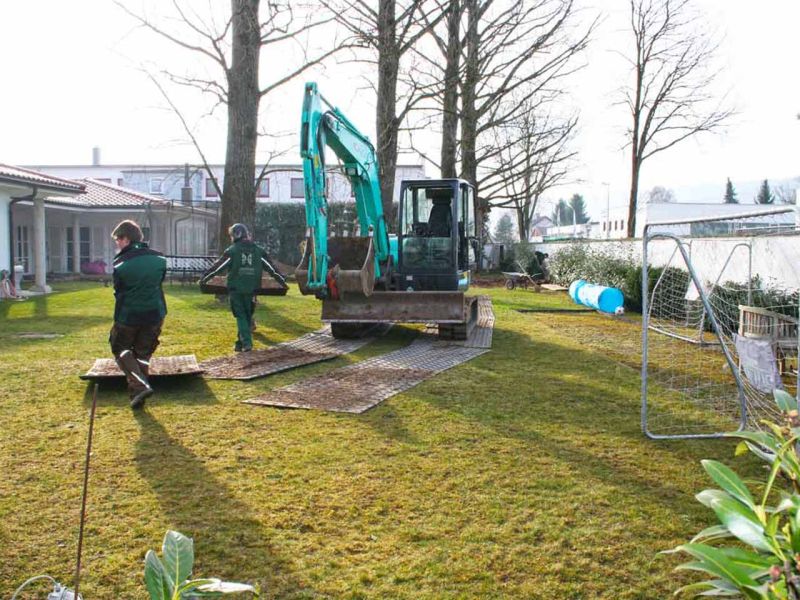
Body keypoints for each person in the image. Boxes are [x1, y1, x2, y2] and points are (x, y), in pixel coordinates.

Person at [109, 220, 167, 409]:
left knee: (120, 347)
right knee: (143, 353)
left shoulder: (120, 264)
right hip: (155, 313)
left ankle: (139, 385)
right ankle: (138, 395)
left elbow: (119, 291)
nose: (117, 243)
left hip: (129, 315)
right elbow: (158, 283)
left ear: (126, 239)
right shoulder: (160, 259)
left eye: (118, 239)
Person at [201, 223, 284, 352]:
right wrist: (282, 280)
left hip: (236, 289)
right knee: (246, 315)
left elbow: (218, 267)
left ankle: (246, 343)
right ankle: (239, 343)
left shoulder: (232, 251)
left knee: (240, 315)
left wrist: (204, 278)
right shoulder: (258, 250)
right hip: (252, 290)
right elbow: (272, 268)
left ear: (235, 235)